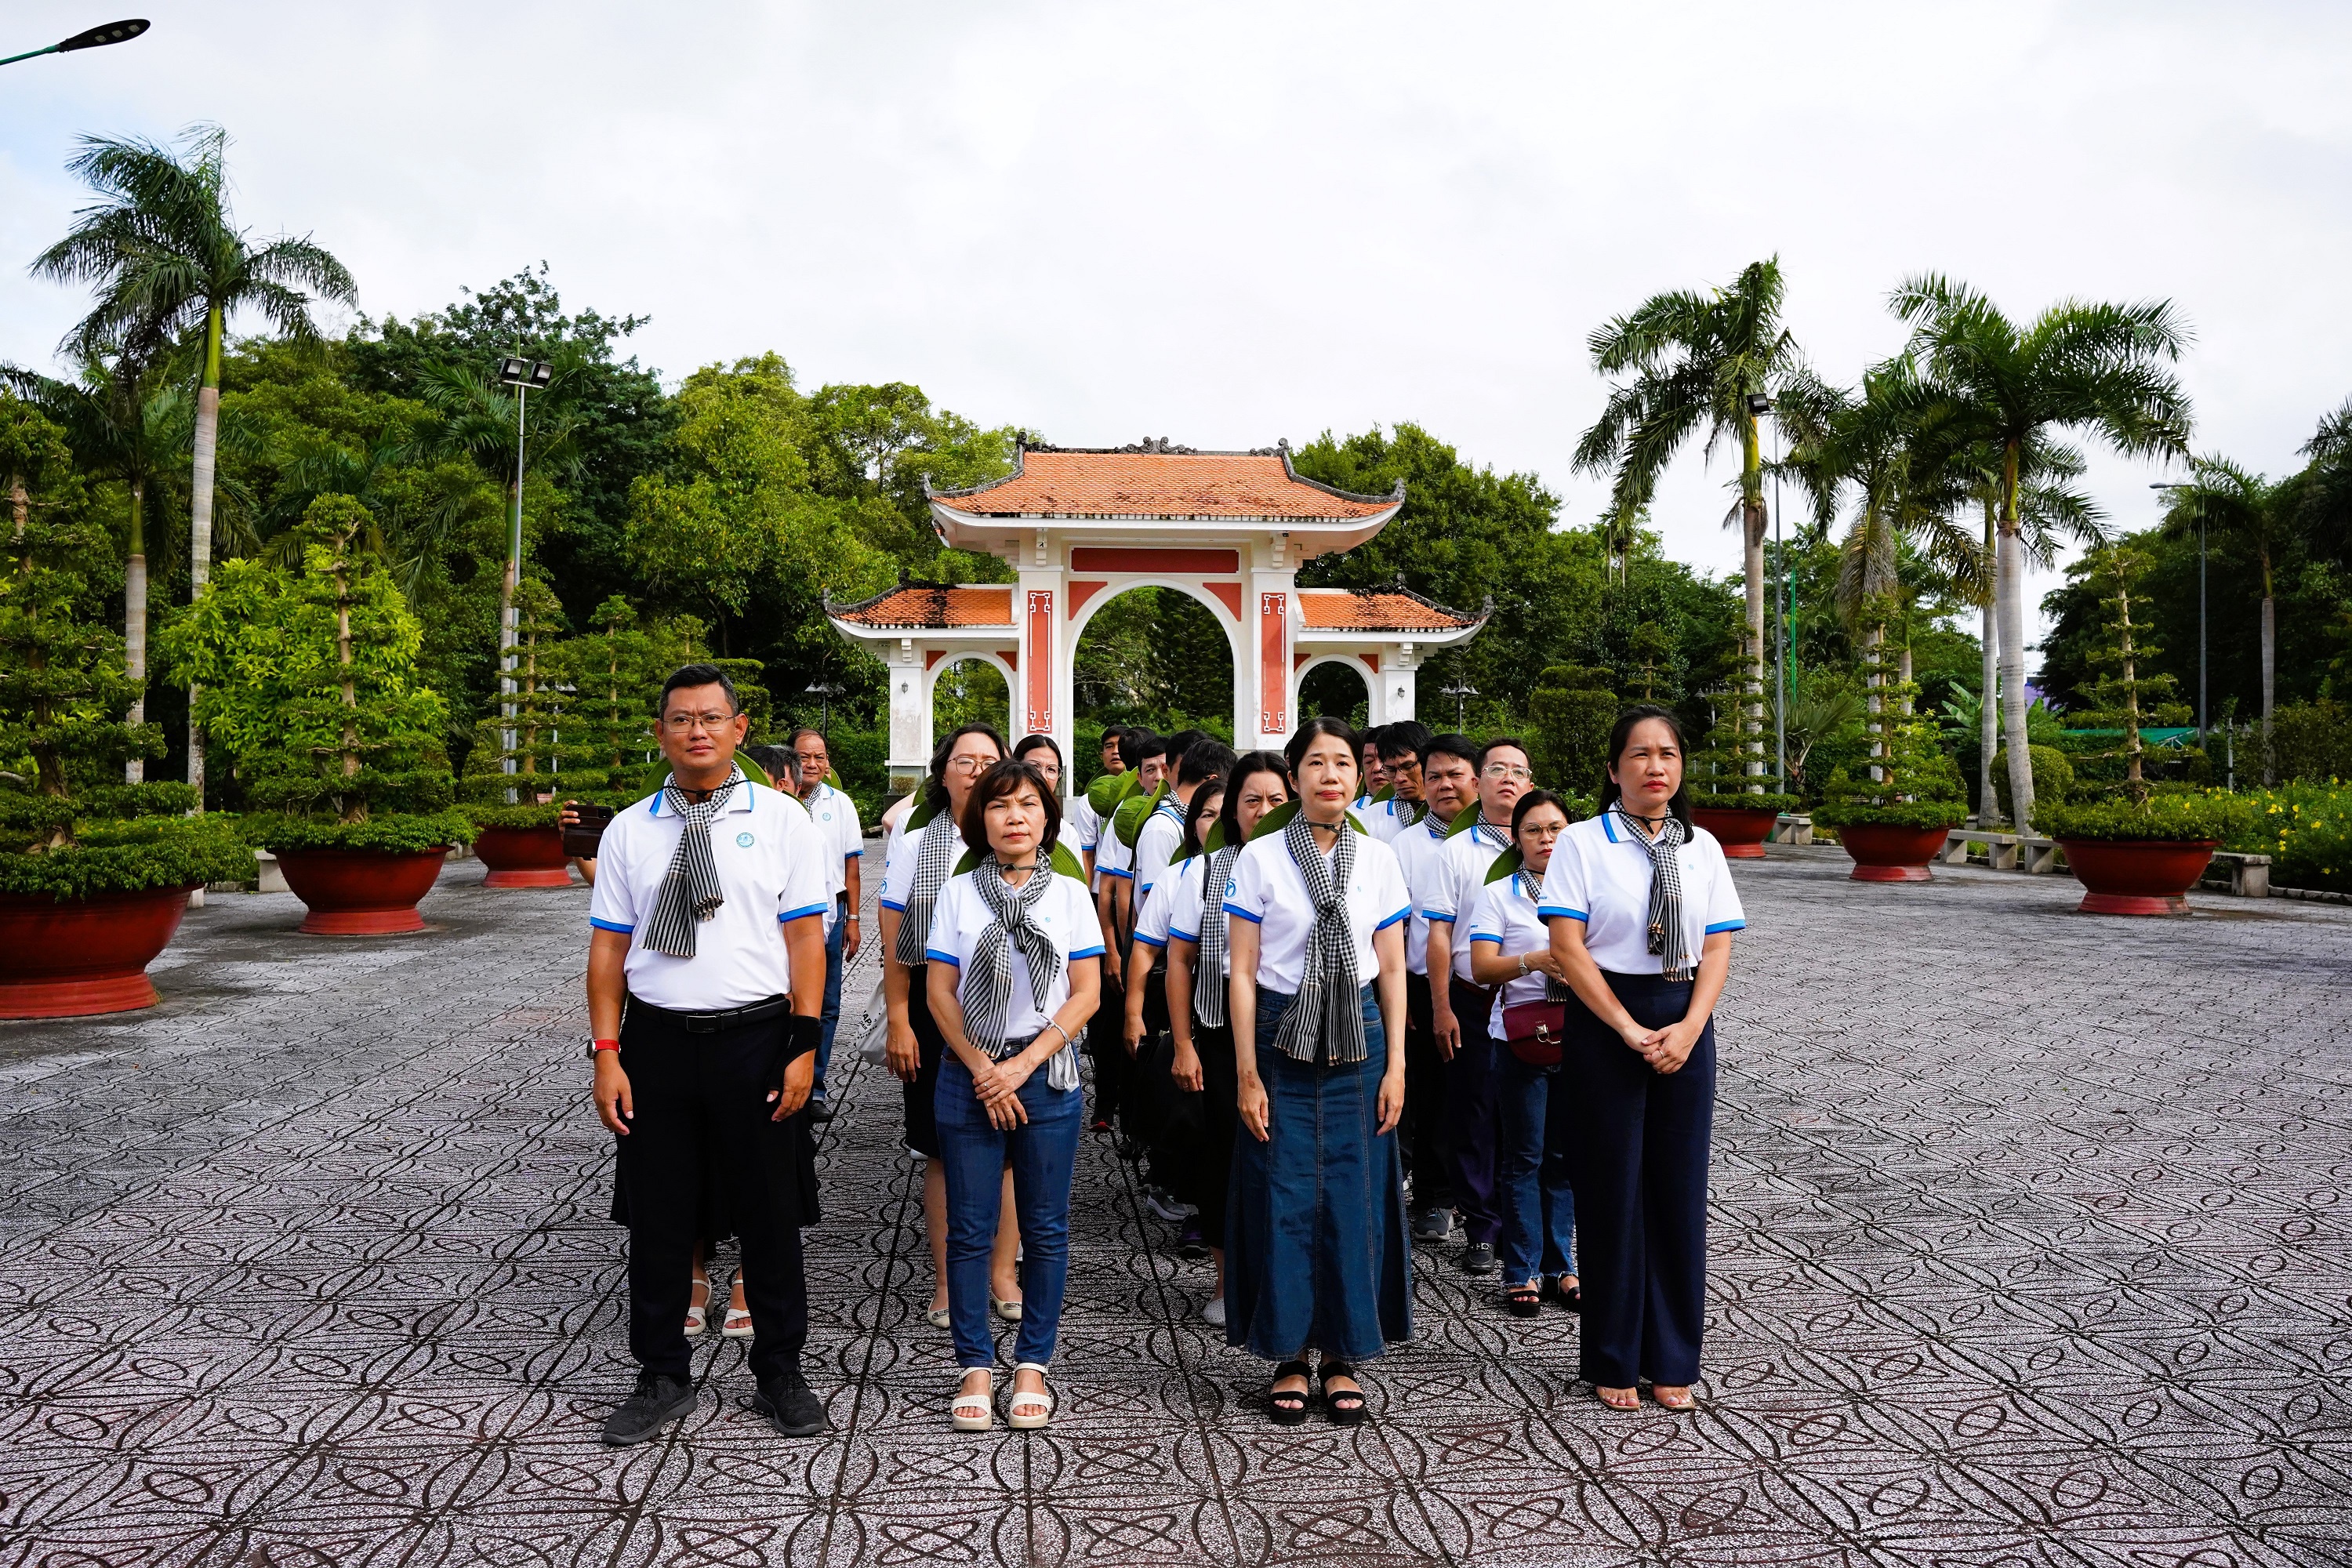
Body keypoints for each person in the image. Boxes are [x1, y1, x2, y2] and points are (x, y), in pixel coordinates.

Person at [586, 664, 833, 1445]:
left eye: (711, 717)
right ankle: (661, 1373)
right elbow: (608, 949)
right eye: (681, 719)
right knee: (658, 1215)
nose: (697, 731)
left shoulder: (784, 820)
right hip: (657, 1041)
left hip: (757, 1040)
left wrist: (804, 1045)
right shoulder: (631, 829)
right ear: (660, 731)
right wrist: (606, 1051)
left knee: (770, 1214)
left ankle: (780, 1370)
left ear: (738, 727)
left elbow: (806, 942)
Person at [1541, 706, 1744, 1412]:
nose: (1656, 766)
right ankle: (1613, 1356)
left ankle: (1673, 1357)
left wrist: (1690, 1028)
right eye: (1640, 754)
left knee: (1678, 1192)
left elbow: (1716, 945)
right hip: (1606, 1022)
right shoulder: (1582, 843)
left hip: (1686, 1018)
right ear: (1613, 769)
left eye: (1668, 754)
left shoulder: (1702, 847)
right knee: (1612, 1192)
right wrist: (1627, 1028)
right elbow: (1567, 946)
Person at [1223, 717, 1413, 1426]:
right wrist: (1247, 1071)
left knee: (1354, 1196)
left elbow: (1391, 968)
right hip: (1280, 1036)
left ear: (1359, 777)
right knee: (1284, 1195)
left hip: (1361, 1039)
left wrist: (1398, 1065)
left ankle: (1341, 1354)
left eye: (1343, 763)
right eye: (1316, 763)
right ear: (1294, 777)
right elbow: (1242, 971)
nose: (1330, 775)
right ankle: (1289, 1355)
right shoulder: (1260, 858)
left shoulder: (1379, 859)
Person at [926, 757, 1104, 1430]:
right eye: (1000, 806)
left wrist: (1022, 1064)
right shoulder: (957, 893)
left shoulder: (1071, 895)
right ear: (982, 820)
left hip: (1046, 1075)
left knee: (1045, 1228)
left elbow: (1086, 993)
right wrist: (984, 1069)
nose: (1014, 818)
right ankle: (974, 1364)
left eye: (1028, 804)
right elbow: (939, 991)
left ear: (1047, 818)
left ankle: (1033, 1364)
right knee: (969, 1230)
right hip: (968, 1074)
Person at [880, 724, 1025, 1333]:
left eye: (989, 759)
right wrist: (897, 1016)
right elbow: (894, 930)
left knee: (1011, 1147)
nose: (976, 769)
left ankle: (1002, 1272)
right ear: (943, 772)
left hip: (1012, 1014)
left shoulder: (1029, 836)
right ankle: (946, 1280)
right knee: (940, 1146)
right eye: (964, 760)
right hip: (933, 1010)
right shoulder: (918, 839)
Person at [1159, 751, 1288, 1328]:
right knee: (1225, 1159)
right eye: (1251, 800)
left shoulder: (1311, 866)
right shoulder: (1205, 871)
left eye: (1276, 799)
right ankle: (1226, 1279)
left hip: (1294, 1037)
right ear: (1233, 810)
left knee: (1286, 1159)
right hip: (1217, 1037)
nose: (1263, 810)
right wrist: (1184, 1044)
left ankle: (1285, 1282)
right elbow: (1179, 961)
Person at [1417, 736, 1534, 1272]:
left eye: (1518, 771)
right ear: (1477, 782)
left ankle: (1526, 1228)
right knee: (1474, 1116)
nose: (1508, 778)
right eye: (1496, 769)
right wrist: (1440, 1006)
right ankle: (1482, 1228)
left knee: (1530, 1119)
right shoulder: (1455, 852)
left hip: (1537, 1000)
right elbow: (1438, 934)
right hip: (1472, 1000)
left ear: (1529, 783)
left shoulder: (1555, 844)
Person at [1466, 789, 1578, 1318]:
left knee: (1564, 1157)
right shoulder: (1499, 895)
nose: (1546, 839)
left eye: (1556, 829)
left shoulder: (1588, 891)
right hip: (1519, 1038)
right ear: (1516, 840)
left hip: (1579, 1033)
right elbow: (1480, 968)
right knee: (1524, 1157)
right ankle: (1521, 1270)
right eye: (1533, 830)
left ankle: (1562, 1266)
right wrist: (1533, 960)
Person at [1124, 736, 1234, 1241]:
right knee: (1193, 1115)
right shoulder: (1181, 876)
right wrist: (1133, 1012)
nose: (1216, 823)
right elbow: (1148, 950)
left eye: (1224, 813)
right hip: (1193, 1012)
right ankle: (1197, 1208)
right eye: (1206, 814)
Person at [1390, 734, 1479, 1250]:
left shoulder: (1504, 839)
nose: (1445, 785)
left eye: (1455, 774)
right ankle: (1432, 1197)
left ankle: (1481, 1201)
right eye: (1434, 777)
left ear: (1476, 779)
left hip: (1492, 984)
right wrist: (1399, 994)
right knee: (1432, 1096)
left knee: (1483, 1097)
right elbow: (1395, 929)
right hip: (1425, 987)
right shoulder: (1405, 847)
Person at [786, 728, 862, 1126]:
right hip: (786, 917)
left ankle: (814, 1087)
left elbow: (851, 865)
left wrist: (853, 919)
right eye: (804, 756)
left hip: (830, 915)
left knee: (827, 1005)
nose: (813, 764)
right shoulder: (778, 800)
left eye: (820, 756)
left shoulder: (840, 803)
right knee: (783, 999)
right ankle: (782, 1079)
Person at [1359, 722, 1432, 843]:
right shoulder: (1373, 817)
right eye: (1391, 770)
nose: (1399, 778)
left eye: (1408, 766)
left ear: (1428, 762)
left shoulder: (1449, 812)